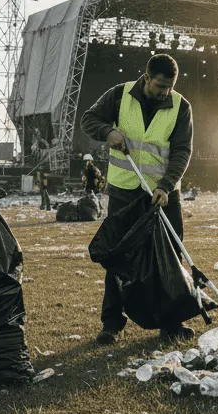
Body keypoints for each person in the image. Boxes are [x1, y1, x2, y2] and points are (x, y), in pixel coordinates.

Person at [81, 53, 194, 346]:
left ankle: (171, 322)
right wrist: (107, 132)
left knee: (170, 257)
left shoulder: (181, 107)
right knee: (119, 257)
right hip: (124, 190)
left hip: (163, 194)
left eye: (169, 87)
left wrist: (166, 186)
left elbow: (182, 150)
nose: (164, 92)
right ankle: (111, 323)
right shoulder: (119, 96)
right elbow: (88, 119)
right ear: (146, 78)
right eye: (159, 86)